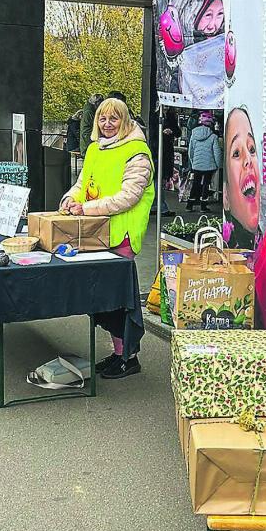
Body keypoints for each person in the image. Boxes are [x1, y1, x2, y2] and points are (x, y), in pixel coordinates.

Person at [60, 98, 154, 379]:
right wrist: (69, 199)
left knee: (118, 299)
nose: (107, 124)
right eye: (102, 118)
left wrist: (85, 208)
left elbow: (129, 197)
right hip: (96, 234)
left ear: (125, 121)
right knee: (101, 299)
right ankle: (118, 353)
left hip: (120, 236)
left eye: (114, 119)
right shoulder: (94, 150)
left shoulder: (138, 153)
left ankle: (129, 357)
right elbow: (82, 184)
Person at [223, 105, 261, 247]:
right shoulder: (227, 254)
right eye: (236, 153)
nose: (248, 160)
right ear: (226, 196)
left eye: (252, 149)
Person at [186, 111, 222, 213]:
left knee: (196, 184)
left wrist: (193, 162)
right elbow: (217, 153)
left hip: (197, 164)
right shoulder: (213, 136)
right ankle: (203, 206)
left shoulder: (193, 134)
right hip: (209, 165)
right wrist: (217, 165)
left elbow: (190, 151)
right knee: (206, 185)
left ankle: (190, 204)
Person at [149, 107, 179, 217]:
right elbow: (153, 135)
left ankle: (155, 205)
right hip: (157, 151)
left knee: (159, 180)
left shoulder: (171, 117)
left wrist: (171, 131)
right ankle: (161, 206)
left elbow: (178, 132)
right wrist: (161, 132)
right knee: (157, 180)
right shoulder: (154, 117)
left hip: (166, 152)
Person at [79, 93, 104, 158]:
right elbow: (95, 124)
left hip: (87, 137)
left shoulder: (89, 109)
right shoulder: (89, 111)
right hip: (88, 138)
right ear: (96, 103)